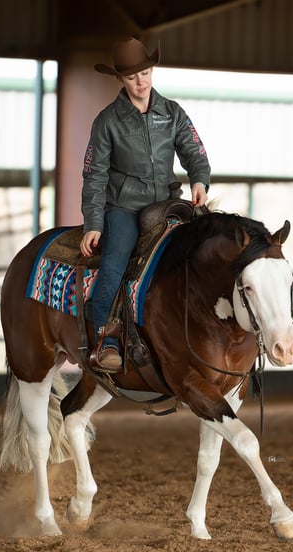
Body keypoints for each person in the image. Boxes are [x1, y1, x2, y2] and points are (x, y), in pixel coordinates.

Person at [80, 37, 211, 373]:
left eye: (146, 72)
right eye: (132, 77)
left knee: (202, 253)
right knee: (115, 265)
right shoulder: (107, 121)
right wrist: (94, 223)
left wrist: (199, 180)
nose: (141, 82)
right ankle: (105, 339)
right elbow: (95, 175)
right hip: (122, 207)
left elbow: (194, 151)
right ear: (120, 80)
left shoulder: (173, 112)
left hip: (168, 203)